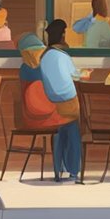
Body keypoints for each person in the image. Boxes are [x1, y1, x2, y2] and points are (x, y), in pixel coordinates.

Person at [40, 19, 84, 182]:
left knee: (59, 133)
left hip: (51, 102)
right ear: (62, 35)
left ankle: (58, 169)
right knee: (73, 131)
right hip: (68, 101)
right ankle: (73, 169)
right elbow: (76, 75)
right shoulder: (62, 56)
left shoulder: (44, 56)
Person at [17, 33, 70, 131]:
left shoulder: (24, 69)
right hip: (43, 117)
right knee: (71, 118)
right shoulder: (45, 67)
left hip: (31, 118)